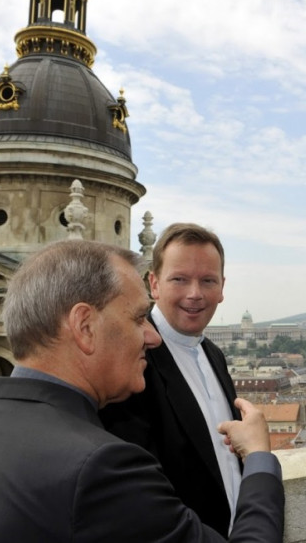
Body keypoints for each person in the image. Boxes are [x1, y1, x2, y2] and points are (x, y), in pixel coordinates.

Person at [0, 240, 284, 542]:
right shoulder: (101, 468)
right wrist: (258, 459)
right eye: (138, 318)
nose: (153, 336)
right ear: (85, 326)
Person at [100, 223, 242, 536]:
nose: (195, 294)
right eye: (180, 279)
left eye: (208, 280)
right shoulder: (131, 362)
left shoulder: (214, 355)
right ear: (154, 284)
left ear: (222, 287)